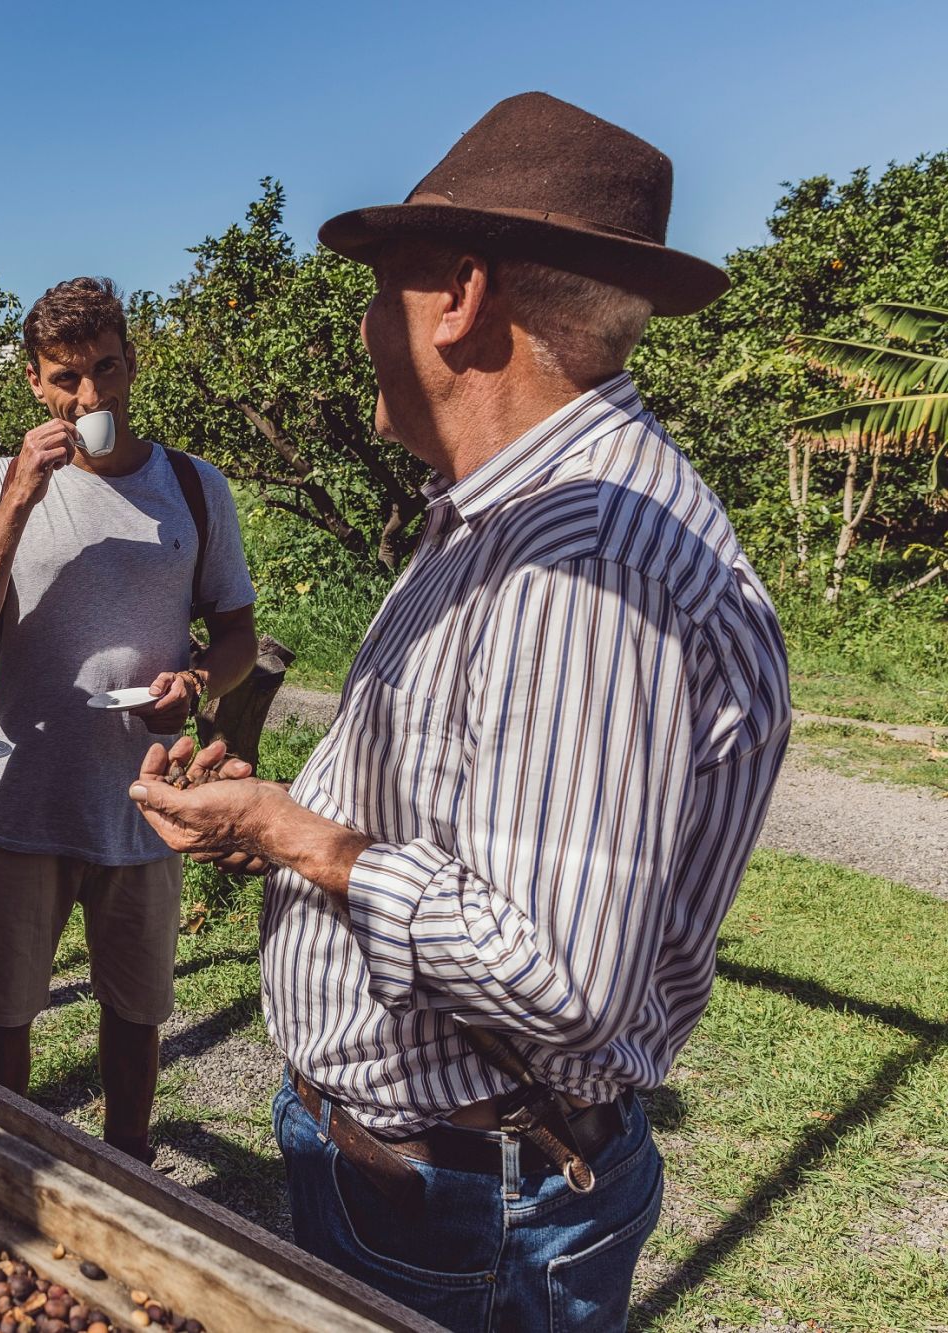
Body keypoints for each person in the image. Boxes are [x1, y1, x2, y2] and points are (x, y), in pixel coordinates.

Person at [127, 93, 790, 1331]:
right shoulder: (496, 519)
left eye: (380, 291)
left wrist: (295, 836)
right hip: (422, 1176)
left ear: (461, 298)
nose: (364, 329)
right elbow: (454, 813)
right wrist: (270, 812)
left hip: (461, 1203)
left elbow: (556, 975)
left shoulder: (584, 558)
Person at [0, 277, 258, 1160]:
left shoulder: (193, 488)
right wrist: (18, 502)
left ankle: (130, 1165)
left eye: (106, 370)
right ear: (34, 381)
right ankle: (13, 1161)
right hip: (22, 797)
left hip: (145, 803)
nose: (91, 398)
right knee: (5, 1008)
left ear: (131, 362)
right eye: (67, 378)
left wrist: (197, 681)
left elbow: (236, 632)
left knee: (137, 1007)